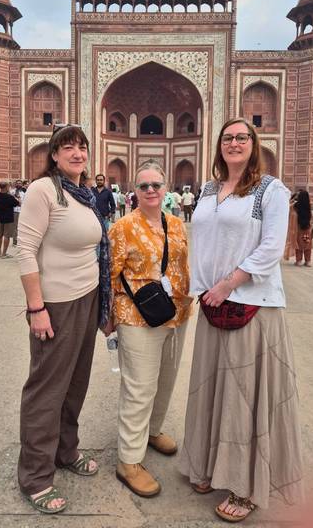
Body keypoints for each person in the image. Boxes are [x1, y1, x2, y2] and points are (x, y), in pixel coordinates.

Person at [179, 118, 304, 522]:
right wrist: (202, 287)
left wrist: (229, 283)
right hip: (214, 300)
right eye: (228, 138)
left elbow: (272, 247)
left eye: (242, 137)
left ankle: (246, 485)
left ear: (255, 143)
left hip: (252, 303)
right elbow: (201, 242)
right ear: (219, 145)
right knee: (213, 388)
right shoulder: (210, 189)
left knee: (243, 396)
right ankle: (209, 466)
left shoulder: (271, 189)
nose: (234, 143)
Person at [16, 124, 111, 514]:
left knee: (74, 383)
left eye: (82, 146)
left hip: (87, 299)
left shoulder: (85, 194)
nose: (77, 153)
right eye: (67, 147)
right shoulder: (44, 190)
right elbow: (25, 252)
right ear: (53, 154)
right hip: (55, 304)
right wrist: (36, 308)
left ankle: (64, 451)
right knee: (47, 389)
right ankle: (35, 477)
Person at [108, 162, 192, 498]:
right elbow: (110, 274)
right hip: (137, 316)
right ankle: (128, 460)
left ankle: (152, 431)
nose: (151, 190)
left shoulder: (176, 224)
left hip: (176, 314)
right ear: (134, 191)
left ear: (166, 187)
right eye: (144, 186)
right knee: (139, 387)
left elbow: (182, 265)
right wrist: (109, 316)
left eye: (157, 184)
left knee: (166, 380)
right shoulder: (122, 227)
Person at [0, 182, 19, 258]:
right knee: (6, 236)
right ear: (6, 187)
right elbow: (17, 203)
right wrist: (16, 197)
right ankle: (4, 253)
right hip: (8, 218)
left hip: (0, 217)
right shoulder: (10, 197)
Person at [293, 190, 313, 267]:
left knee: (299, 244)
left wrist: (293, 199)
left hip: (298, 227)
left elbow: (288, 208)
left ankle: (299, 261)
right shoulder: (309, 205)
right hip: (308, 228)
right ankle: (308, 261)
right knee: (307, 243)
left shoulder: (296, 206)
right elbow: (311, 218)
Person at [11, 179, 25, 246]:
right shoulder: (12, 192)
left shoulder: (23, 193)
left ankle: (20, 241)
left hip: (21, 211)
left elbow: (23, 203)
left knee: (21, 227)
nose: (19, 184)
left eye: (20, 183)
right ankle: (15, 241)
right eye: (17, 183)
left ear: (22, 185)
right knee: (15, 227)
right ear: (15, 184)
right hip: (14, 211)